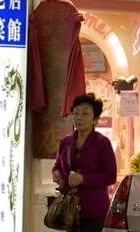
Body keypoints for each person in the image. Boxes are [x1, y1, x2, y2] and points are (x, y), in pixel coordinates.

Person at [55, 94, 118, 232]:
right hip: (69, 210)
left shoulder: (102, 143)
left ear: (95, 119)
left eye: (85, 113)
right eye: (76, 113)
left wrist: (83, 179)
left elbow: (110, 176)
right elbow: (57, 166)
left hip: (94, 211)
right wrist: (57, 174)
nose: (79, 117)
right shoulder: (65, 143)